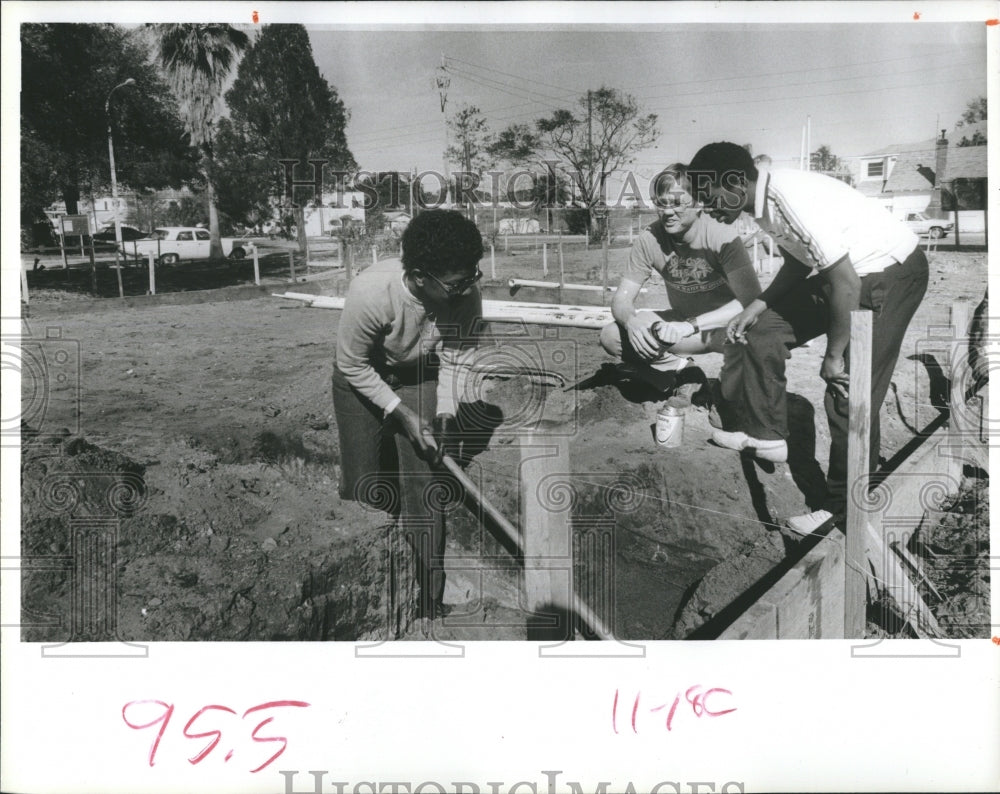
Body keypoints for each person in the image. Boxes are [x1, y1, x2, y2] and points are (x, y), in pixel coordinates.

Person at [687, 142, 928, 535]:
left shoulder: (788, 199)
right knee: (761, 330)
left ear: (736, 183)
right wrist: (757, 307)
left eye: (709, 196)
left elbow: (846, 286)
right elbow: (799, 263)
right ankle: (767, 437)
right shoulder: (762, 204)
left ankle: (844, 511)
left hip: (889, 274)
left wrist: (833, 356)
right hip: (850, 275)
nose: (707, 207)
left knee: (848, 393)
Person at [332, 209, 484, 620]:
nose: (466, 288)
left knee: (425, 483)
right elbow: (352, 364)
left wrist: (444, 416)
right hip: (362, 374)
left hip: (418, 371)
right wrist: (400, 412)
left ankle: (428, 600)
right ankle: (369, 596)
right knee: (363, 486)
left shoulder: (466, 292)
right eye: (455, 284)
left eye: (471, 276)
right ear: (419, 277)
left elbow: (457, 357)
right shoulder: (371, 293)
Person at [599, 164, 766, 404]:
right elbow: (621, 300)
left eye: (677, 203)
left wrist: (691, 326)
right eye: (661, 203)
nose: (668, 212)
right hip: (679, 325)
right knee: (612, 335)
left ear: (698, 203)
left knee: (759, 337)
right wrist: (632, 322)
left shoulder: (721, 234)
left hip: (724, 328)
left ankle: (740, 396)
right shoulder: (649, 239)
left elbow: (751, 301)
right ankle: (683, 372)